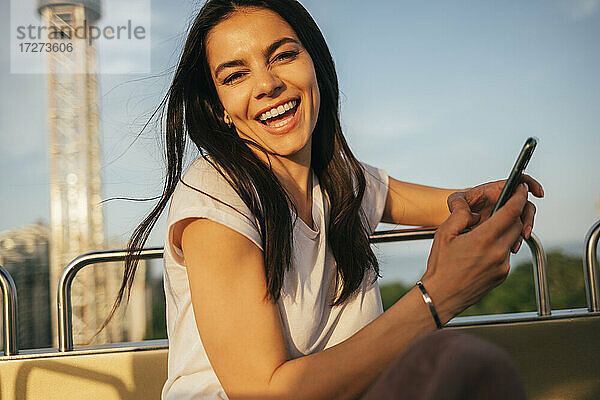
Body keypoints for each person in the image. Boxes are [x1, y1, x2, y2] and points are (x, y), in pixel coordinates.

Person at [110, 0, 544, 398]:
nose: (266, 84)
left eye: (282, 55)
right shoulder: (215, 197)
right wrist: (438, 297)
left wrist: (491, 203)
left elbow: (457, 205)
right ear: (220, 106)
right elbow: (263, 393)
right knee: (458, 360)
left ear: (314, 63)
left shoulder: (340, 181)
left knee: (467, 369)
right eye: (235, 75)